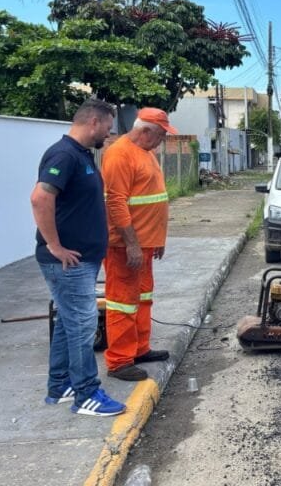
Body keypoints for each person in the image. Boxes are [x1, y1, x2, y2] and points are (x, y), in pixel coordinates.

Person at [30, 97, 126, 416]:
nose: (108, 134)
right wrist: (55, 246)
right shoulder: (64, 154)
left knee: (67, 323)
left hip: (81, 260)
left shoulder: (81, 154)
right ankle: (86, 393)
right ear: (93, 122)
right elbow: (40, 198)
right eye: (107, 127)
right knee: (84, 324)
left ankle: (59, 385)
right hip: (68, 262)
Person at [101, 107, 177, 381]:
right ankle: (119, 361)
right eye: (160, 135)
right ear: (145, 131)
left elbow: (153, 198)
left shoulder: (146, 152)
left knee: (143, 297)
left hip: (145, 244)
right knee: (122, 302)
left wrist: (158, 239)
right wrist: (131, 244)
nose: (162, 141)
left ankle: (139, 348)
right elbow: (116, 203)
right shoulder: (119, 154)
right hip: (125, 247)